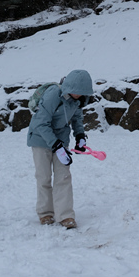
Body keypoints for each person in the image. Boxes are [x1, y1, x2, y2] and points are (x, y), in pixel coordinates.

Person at [27, 69, 93, 228]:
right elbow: (40, 122)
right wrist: (55, 145)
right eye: (76, 92)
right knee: (43, 177)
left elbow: (77, 119)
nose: (78, 95)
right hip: (40, 138)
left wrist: (80, 136)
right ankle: (45, 213)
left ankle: (65, 216)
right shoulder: (53, 95)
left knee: (63, 177)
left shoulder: (77, 101)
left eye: (82, 93)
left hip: (61, 140)